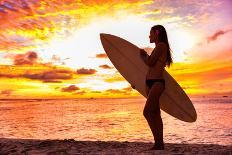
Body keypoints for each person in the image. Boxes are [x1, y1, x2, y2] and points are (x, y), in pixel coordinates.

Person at [140, 25, 173, 150]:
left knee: (147, 112)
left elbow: (150, 62)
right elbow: (149, 67)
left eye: (150, 33)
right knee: (155, 113)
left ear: (157, 33)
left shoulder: (161, 46)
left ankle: (158, 143)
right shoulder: (157, 48)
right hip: (150, 83)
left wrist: (143, 55)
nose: (149, 35)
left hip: (157, 83)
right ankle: (159, 144)